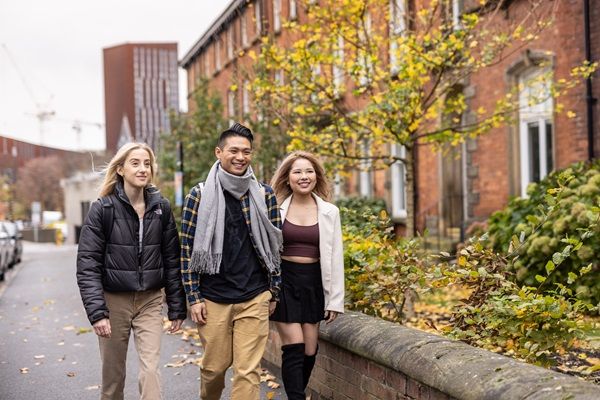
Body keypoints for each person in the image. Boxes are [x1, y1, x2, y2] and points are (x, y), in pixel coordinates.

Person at [180, 122, 283, 400]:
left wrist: (273, 291)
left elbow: (274, 249)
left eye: (247, 152)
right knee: (214, 369)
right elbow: (187, 250)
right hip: (213, 297)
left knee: (248, 371)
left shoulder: (264, 195)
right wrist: (194, 297)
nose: (241, 157)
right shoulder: (199, 195)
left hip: (254, 295)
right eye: (234, 151)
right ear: (219, 152)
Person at [77, 142, 187, 400]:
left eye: (147, 164)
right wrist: (97, 313)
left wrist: (176, 306)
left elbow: (172, 259)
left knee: (151, 371)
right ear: (120, 170)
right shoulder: (103, 209)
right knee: (113, 378)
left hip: (150, 300)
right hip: (114, 302)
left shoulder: (161, 208)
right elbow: (87, 264)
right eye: (135, 163)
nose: (142, 169)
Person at [270, 151, 345, 400]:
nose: (304, 176)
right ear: (287, 178)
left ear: (317, 176)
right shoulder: (274, 209)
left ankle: (296, 394)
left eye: (309, 171)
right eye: (297, 171)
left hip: (313, 283)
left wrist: (335, 300)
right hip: (284, 283)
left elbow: (335, 258)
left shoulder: (330, 212)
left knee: (310, 349)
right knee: (294, 346)